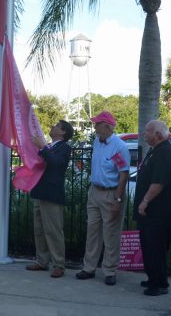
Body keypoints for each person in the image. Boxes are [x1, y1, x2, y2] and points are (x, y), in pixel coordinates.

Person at [76, 111, 130, 286]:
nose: (95, 127)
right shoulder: (97, 142)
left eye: (97, 124)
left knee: (111, 233)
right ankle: (89, 268)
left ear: (106, 126)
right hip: (95, 192)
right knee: (92, 231)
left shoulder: (119, 146)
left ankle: (110, 270)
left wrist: (118, 200)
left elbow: (123, 175)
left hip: (111, 193)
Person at [133, 120, 171, 296]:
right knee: (148, 246)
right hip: (150, 214)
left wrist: (145, 201)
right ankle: (153, 278)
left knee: (156, 248)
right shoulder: (155, 151)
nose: (144, 135)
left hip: (159, 213)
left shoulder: (165, 152)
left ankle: (160, 283)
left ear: (158, 134)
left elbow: (159, 182)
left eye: (147, 131)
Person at [25, 120, 74, 279]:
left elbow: (56, 164)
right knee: (39, 230)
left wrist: (43, 147)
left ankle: (59, 264)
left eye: (57, 126)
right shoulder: (49, 146)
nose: (52, 126)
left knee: (53, 230)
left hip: (52, 194)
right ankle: (42, 261)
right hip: (40, 191)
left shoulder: (64, 148)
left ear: (63, 133)